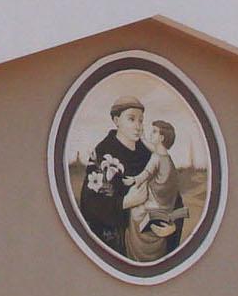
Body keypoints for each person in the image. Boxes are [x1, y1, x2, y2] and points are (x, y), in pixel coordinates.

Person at [76, 97, 151, 254]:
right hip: (115, 242)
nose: (138, 126)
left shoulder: (147, 154)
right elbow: (90, 204)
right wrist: (125, 202)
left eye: (141, 121)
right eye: (131, 119)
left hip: (147, 237)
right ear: (116, 120)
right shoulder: (103, 153)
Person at [121, 119, 188, 263]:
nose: (139, 127)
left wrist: (133, 180)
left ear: (161, 137)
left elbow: (147, 172)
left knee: (136, 214)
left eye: (154, 132)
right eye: (131, 120)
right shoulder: (167, 158)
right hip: (161, 208)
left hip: (154, 208)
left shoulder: (155, 157)